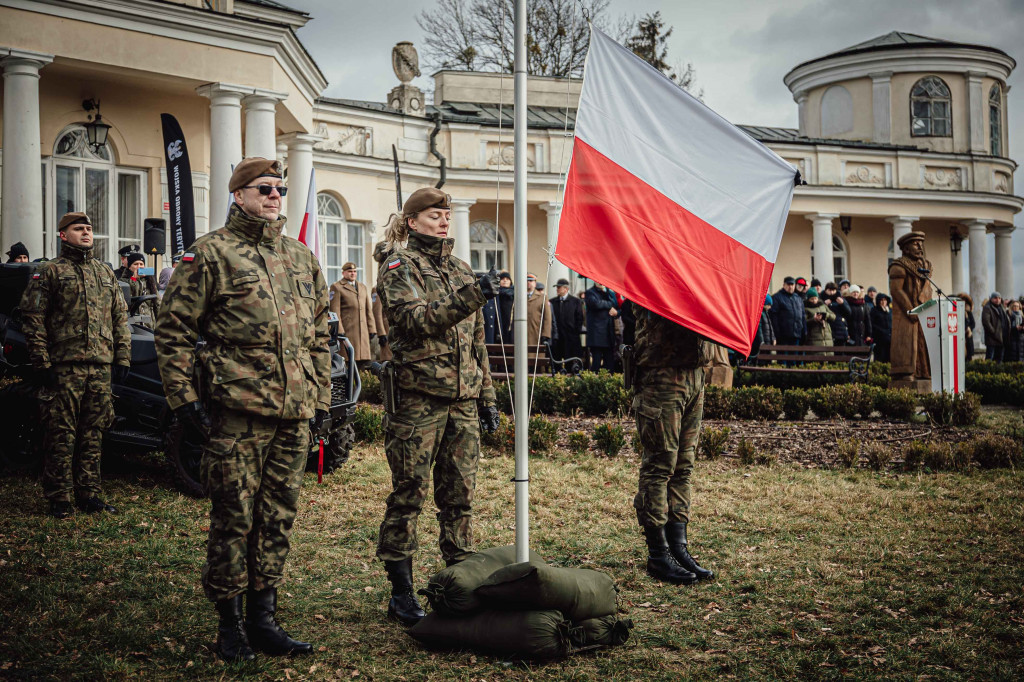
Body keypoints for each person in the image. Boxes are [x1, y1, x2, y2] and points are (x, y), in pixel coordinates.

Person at [156, 157, 330, 661]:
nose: (275, 196)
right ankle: (229, 625)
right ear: (238, 194)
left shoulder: (300, 258)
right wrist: (185, 400)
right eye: (264, 188)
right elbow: (173, 332)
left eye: (280, 188)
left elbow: (320, 333)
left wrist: (318, 396)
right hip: (237, 412)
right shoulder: (210, 255)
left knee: (277, 517)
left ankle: (264, 619)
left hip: (294, 414)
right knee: (234, 516)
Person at [374, 187, 501, 627]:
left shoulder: (461, 269)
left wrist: (486, 397)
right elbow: (414, 320)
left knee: (459, 497)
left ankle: (458, 583)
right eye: (434, 214)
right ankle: (401, 592)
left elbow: (476, 342)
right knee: (409, 494)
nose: (444, 220)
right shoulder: (398, 266)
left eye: (447, 214)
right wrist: (472, 295)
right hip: (418, 401)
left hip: (463, 403)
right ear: (412, 222)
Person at [20, 211, 131, 518]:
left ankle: (89, 494)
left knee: (94, 432)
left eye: (89, 228)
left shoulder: (105, 272)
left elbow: (120, 318)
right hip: (64, 366)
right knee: (61, 433)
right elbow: (33, 317)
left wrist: (122, 356)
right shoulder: (50, 271)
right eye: (78, 228)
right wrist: (41, 361)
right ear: (62, 235)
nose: (86, 233)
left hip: (99, 366)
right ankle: (59, 497)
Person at [632, 306, 715, 585]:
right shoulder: (651, 269)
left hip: (694, 373)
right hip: (662, 376)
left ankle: (678, 547)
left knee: (683, 466)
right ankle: (658, 554)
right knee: (660, 466)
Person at [888, 232, 933, 382]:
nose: (920, 247)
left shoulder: (925, 266)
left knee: (923, 342)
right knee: (907, 343)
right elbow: (896, 290)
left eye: (921, 243)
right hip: (906, 314)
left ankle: (924, 372)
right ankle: (905, 372)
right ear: (906, 249)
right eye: (915, 243)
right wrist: (910, 309)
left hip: (923, 311)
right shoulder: (899, 266)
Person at [330, 261, 377, 368]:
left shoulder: (362, 287)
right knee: (348, 361)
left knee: (364, 364)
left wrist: (372, 329)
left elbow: (368, 310)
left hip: (363, 333)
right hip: (348, 331)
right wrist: (340, 331)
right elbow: (334, 311)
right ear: (343, 273)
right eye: (350, 271)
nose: (353, 274)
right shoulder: (337, 287)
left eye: (355, 271)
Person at [585, 282, 618, 371]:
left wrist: (607, 295)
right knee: (596, 362)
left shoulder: (609, 293)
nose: (600, 283)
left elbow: (616, 304)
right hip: (596, 335)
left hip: (608, 334)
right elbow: (596, 304)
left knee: (610, 364)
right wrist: (609, 304)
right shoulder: (590, 292)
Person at [549, 277, 584, 363]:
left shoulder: (576, 301)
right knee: (556, 361)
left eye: (559, 287)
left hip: (571, 337)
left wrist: (575, 332)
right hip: (557, 338)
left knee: (571, 361)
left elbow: (580, 318)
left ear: (566, 289)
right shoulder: (552, 302)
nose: (557, 289)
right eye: (556, 287)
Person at [119, 251, 157, 322]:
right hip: (134, 322)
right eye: (135, 264)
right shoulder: (123, 281)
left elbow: (157, 302)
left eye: (141, 264)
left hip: (149, 321)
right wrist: (134, 278)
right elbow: (133, 295)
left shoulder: (149, 281)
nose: (139, 267)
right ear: (130, 266)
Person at [770, 276, 805, 346]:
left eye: (792, 285)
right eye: (788, 285)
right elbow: (774, 317)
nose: (790, 287)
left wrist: (804, 332)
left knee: (796, 356)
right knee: (783, 356)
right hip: (783, 336)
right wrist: (777, 333)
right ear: (784, 285)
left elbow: (802, 316)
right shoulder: (777, 297)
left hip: (797, 335)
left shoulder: (798, 298)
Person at [524, 273, 552, 348]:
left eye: (531, 281)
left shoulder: (542, 297)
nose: (528, 283)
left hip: (537, 333)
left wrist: (546, 335)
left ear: (535, 283)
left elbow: (547, 317)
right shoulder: (520, 296)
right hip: (522, 334)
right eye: (526, 281)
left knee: (536, 357)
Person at [982, 292, 1009, 362]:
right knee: (990, 357)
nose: (997, 300)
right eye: (995, 298)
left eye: (999, 298)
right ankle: (988, 372)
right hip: (992, 338)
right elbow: (986, 322)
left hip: (1001, 337)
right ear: (991, 299)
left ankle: (998, 372)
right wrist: (993, 331)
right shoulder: (987, 308)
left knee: (1000, 358)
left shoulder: (1002, 308)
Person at [751, 294, 776, 361]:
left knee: (767, 359)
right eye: (768, 305)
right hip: (763, 342)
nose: (770, 307)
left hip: (768, 342)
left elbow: (770, 328)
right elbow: (759, 329)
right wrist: (761, 341)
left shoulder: (766, 313)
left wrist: (773, 338)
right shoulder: (760, 313)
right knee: (762, 360)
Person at [869, 293, 892, 362]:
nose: (883, 302)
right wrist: (882, 331)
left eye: (885, 300)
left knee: (889, 358)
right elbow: (872, 324)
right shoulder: (874, 310)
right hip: (879, 339)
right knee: (880, 358)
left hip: (889, 339)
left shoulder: (890, 311)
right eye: (881, 300)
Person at [957, 293, 975, 362]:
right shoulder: (957, 311)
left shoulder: (969, 312)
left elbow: (973, 323)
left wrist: (969, 328)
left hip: (968, 337)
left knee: (969, 356)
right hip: (961, 337)